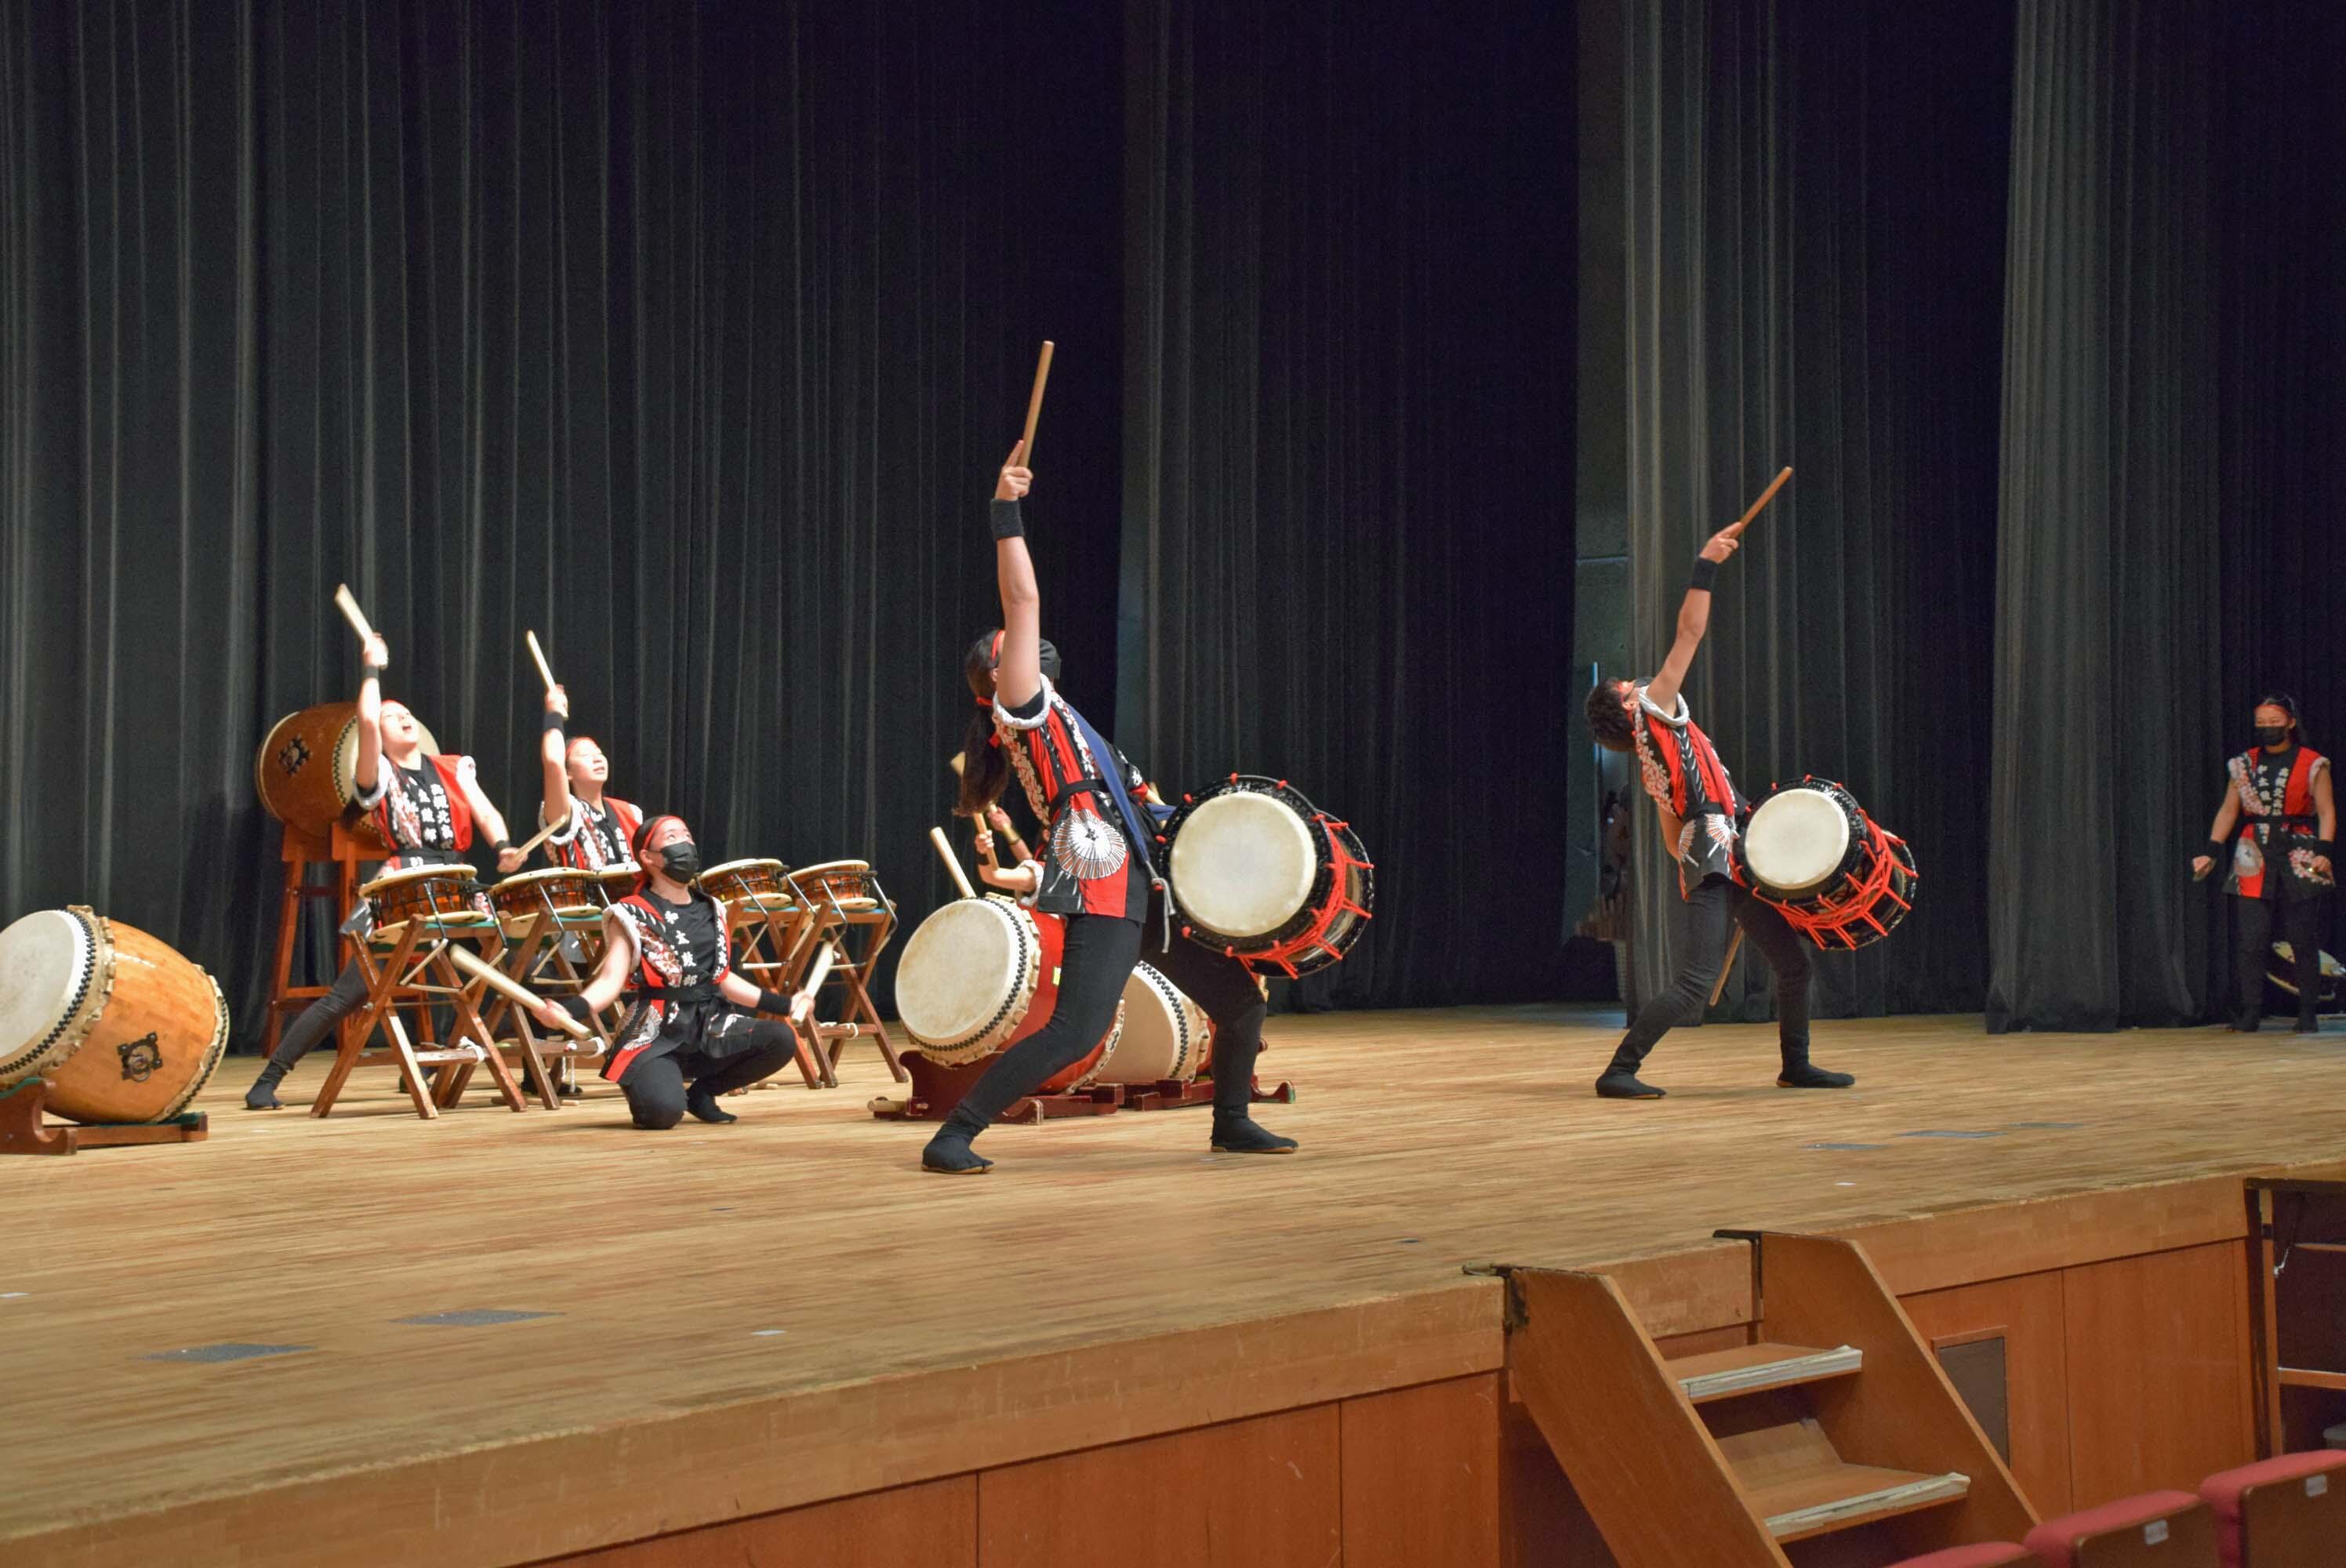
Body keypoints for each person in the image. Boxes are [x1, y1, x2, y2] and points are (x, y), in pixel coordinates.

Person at [917, 441, 1296, 1174]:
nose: (1031, 647)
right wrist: (1006, 512)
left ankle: (1232, 1122)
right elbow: (1022, 600)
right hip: (1102, 880)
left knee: (1242, 1003)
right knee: (1077, 1027)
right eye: (1013, 649)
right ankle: (953, 1134)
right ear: (997, 677)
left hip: (1148, 880)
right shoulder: (1021, 707)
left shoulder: (1074, 726)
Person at [1581, 521, 1853, 1099]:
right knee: (1694, 983)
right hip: (1719, 862)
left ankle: (1795, 1064)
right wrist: (1705, 563)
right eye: (1629, 683)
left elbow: (1670, 830)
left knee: (1793, 966)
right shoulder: (1653, 711)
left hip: (1726, 859)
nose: (1639, 680)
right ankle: (1618, 1070)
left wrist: (1704, 867)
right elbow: (1690, 632)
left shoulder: (1656, 753)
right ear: (1626, 703)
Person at [245, 633, 526, 1109]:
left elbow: (485, 811)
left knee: (511, 954)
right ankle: (269, 1079)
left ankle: (472, 1063)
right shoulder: (376, 776)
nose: (403, 719)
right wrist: (372, 669)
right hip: (406, 885)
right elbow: (369, 723)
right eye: (393, 717)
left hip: (456, 880)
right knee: (350, 994)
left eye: (408, 715)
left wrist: (503, 846)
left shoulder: (454, 767)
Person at [530, 815, 812, 1128]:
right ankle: (654, 1083)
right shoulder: (629, 912)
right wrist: (569, 1010)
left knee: (780, 1039)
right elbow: (610, 980)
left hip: (709, 1025)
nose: (685, 843)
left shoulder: (713, 907)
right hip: (656, 1030)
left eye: (687, 835)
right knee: (661, 1115)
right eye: (672, 837)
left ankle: (703, 1093)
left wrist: (787, 1005)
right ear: (648, 857)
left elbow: (722, 979)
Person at [2192, 695, 2336, 1033]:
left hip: (2299, 845)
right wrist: (2212, 850)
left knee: (2302, 936)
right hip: (2252, 847)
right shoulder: (2244, 765)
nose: (2267, 728)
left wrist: (2324, 850)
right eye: (2261, 723)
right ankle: (2251, 1011)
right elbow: (2229, 809)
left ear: (2289, 722)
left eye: (2274, 722)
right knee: (2250, 937)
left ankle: (2307, 1011)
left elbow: (2327, 810)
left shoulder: (2313, 763)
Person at [535, 685, 644, 873]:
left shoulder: (629, 812)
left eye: (599, 753)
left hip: (632, 901)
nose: (598, 758)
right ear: (568, 772)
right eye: (585, 755)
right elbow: (553, 762)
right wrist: (554, 714)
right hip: (589, 902)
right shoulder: (564, 811)